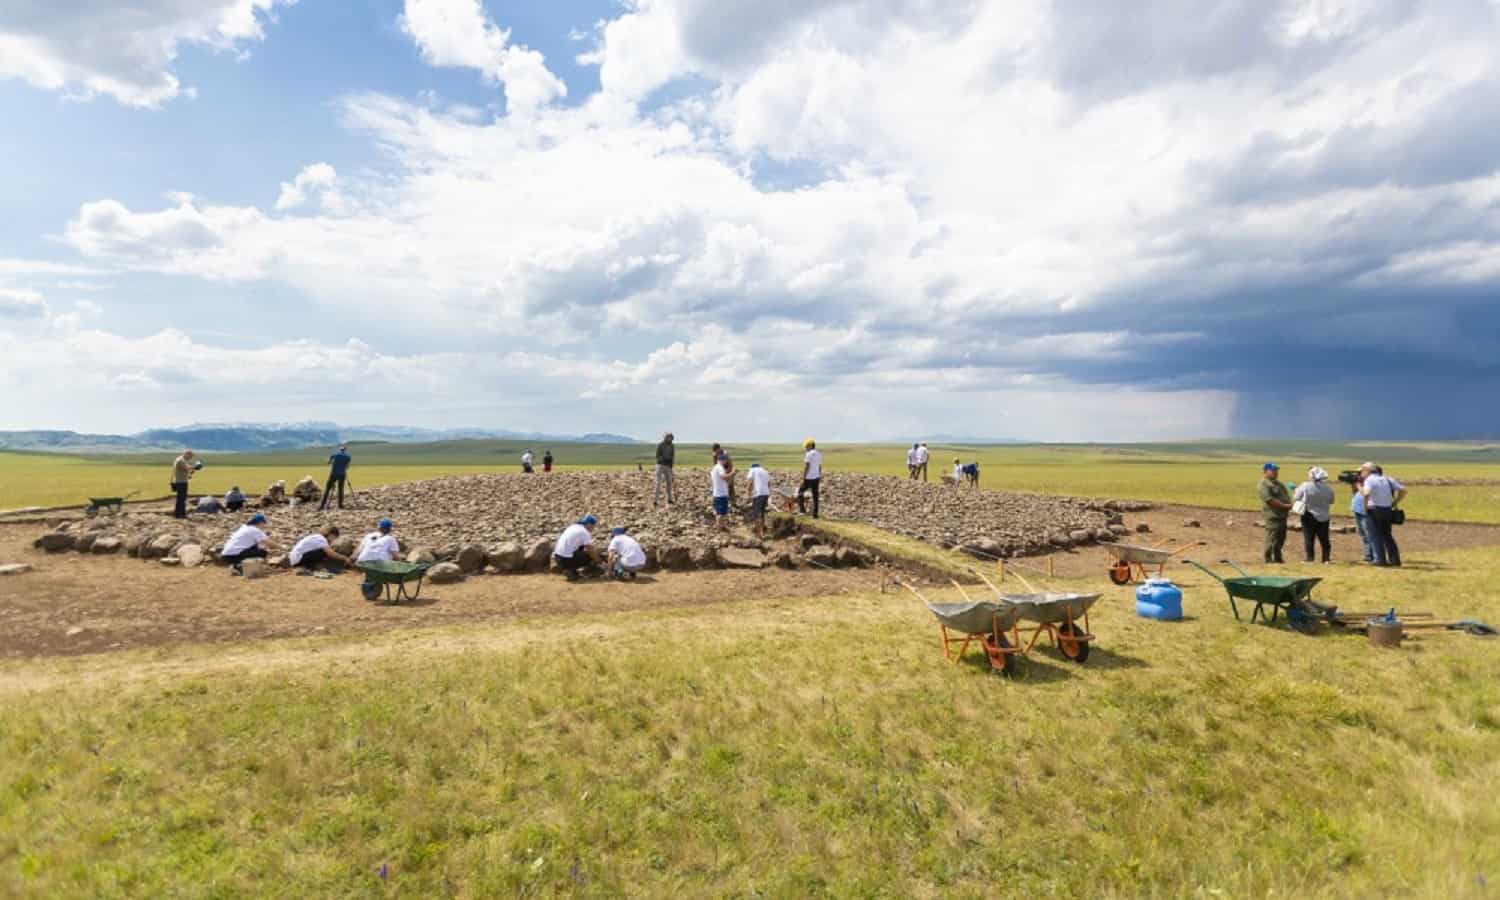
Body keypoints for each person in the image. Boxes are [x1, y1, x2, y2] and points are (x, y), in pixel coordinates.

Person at [1361, 464, 1406, 567]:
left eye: (1363, 471)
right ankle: (1395, 560)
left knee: (1375, 535)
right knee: (1387, 535)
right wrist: (1395, 502)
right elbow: (1403, 490)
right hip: (1387, 510)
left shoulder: (1369, 480)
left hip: (1374, 509)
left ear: (1368, 471)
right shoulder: (1387, 479)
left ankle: (1380, 560)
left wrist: (1365, 506)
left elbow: (1366, 493)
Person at [1294, 466, 1336, 563]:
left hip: (1309, 514)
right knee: (1324, 538)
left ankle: (1310, 558)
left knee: (1309, 537)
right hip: (1324, 516)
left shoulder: (1305, 485)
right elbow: (1331, 501)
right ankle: (1326, 559)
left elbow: (1296, 497)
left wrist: (1296, 490)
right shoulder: (1329, 488)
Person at [1258, 462, 1292, 564]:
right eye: (1273, 470)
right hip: (1273, 515)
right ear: (1265, 471)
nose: (1276, 472)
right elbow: (1270, 500)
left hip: (1283, 515)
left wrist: (1290, 504)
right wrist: (1285, 506)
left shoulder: (1279, 484)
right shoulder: (1263, 484)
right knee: (1271, 538)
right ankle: (1268, 559)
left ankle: (1278, 558)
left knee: (1281, 538)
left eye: (1276, 470)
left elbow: (1286, 496)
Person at [554, 515, 598, 580]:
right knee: (589, 557)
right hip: (566, 560)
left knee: (580, 548)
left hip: (557, 557)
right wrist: (599, 561)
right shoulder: (584, 532)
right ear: (589, 524)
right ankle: (571, 570)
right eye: (593, 525)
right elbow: (590, 550)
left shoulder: (573, 526)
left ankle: (571, 571)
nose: (593, 528)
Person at [1350, 472, 1375, 563]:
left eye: (1361, 473)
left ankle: (1374, 555)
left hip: (1366, 511)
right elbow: (1355, 494)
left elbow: (1365, 493)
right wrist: (1355, 485)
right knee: (1363, 534)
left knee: (1369, 534)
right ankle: (1368, 555)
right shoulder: (1361, 483)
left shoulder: (1371, 482)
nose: (1359, 475)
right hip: (1358, 510)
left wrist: (1358, 485)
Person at [320, 445, 351, 510]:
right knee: (340, 489)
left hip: (333, 474)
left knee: (327, 488)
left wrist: (332, 462)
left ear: (340, 450)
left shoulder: (335, 455)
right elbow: (347, 467)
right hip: (342, 474)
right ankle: (340, 505)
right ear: (345, 450)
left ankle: (322, 505)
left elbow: (329, 462)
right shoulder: (348, 457)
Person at [746, 461, 772, 538]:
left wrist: (748, 494)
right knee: (762, 512)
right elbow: (768, 484)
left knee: (757, 514)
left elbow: (750, 482)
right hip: (765, 493)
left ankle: (759, 534)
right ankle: (763, 531)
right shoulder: (765, 471)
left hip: (758, 494)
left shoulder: (752, 470)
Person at [798, 439, 822, 518]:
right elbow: (819, 466)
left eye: (806, 446)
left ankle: (802, 510)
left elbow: (807, 466)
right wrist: (819, 475)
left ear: (810, 446)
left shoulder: (808, 454)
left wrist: (804, 476)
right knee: (815, 496)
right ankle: (815, 515)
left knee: (800, 492)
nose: (806, 448)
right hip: (816, 478)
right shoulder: (819, 454)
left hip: (808, 478)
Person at [170, 449, 197, 519]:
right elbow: (187, 468)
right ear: (187, 454)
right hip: (181, 482)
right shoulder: (181, 460)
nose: (190, 458)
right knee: (181, 498)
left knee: (181, 498)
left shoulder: (181, 460)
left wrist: (191, 471)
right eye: (190, 456)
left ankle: (179, 513)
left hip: (181, 481)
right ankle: (180, 514)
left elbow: (187, 470)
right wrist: (195, 466)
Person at [654, 432, 676, 505]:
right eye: (669, 438)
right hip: (660, 465)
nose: (670, 439)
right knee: (658, 483)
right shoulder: (660, 445)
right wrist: (664, 459)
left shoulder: (672, 446)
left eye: (671, 438)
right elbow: (657, 456)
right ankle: (655, 500)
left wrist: (671, 465)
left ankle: (669, 499)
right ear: (665, 438)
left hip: (668, 466)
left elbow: (673, 456)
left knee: (669, 483)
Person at [710, 454, 731, 528]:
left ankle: (721, 526)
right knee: (722, 513)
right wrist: (733, 473)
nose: (726, 462)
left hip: (716, 493)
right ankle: (719, 527)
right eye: (726, 460)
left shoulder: (715, 468)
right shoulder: (720, 468)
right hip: (721, 494)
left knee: (719, 512)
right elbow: (723, 477)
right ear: (723, 460)